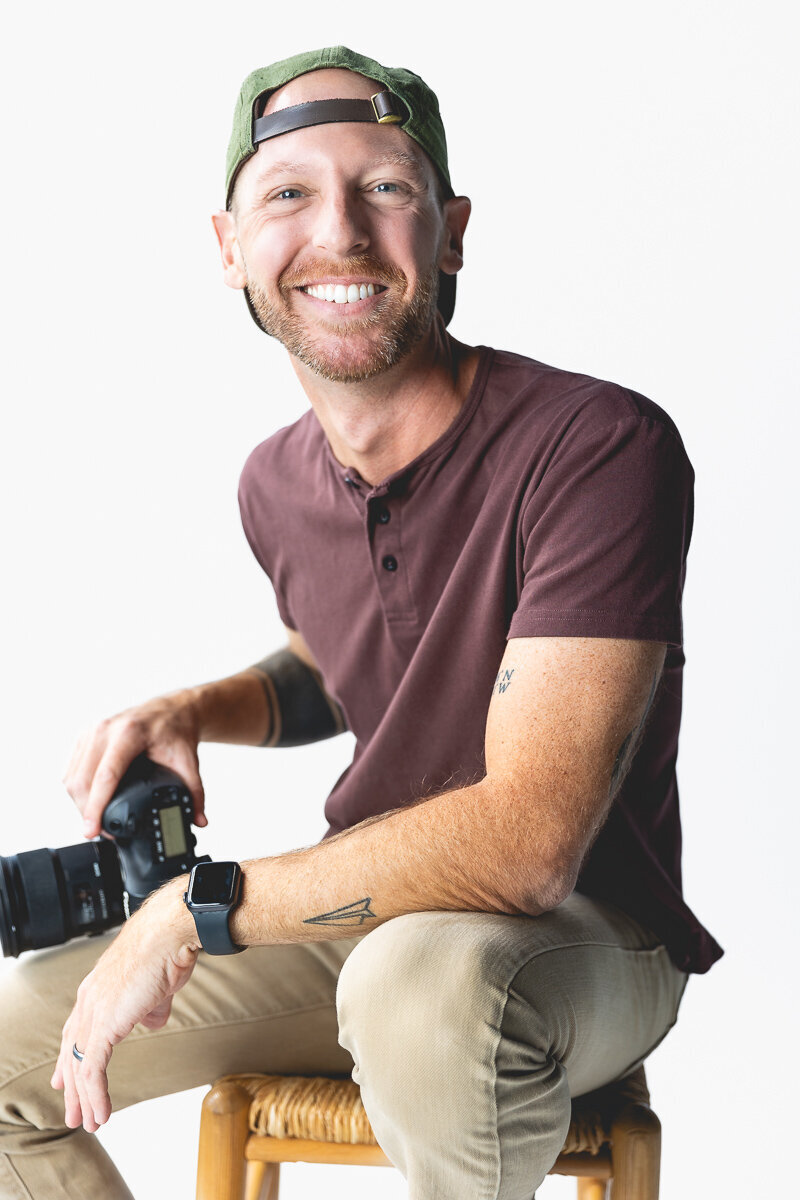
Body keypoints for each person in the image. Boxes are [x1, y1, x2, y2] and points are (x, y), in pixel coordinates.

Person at [0, 46, 722, 1200]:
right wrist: (196, 709)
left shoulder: (596, 448)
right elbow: (342, 658)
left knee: (417, 990)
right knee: (3, 1054)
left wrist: (200, 910)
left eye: (385, 188)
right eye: (286, 193)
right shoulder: (272, 483)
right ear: (229, 249)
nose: (337, 230)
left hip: (580, 935)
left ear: (451, 231)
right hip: (366, 918)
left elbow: (527, 845)